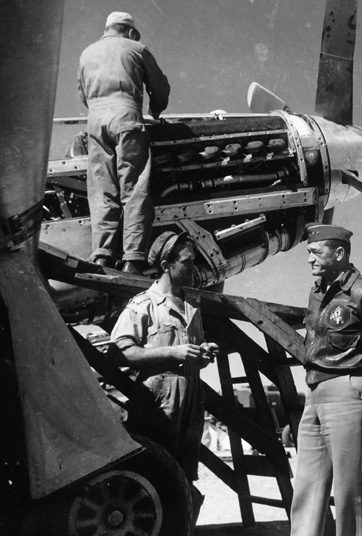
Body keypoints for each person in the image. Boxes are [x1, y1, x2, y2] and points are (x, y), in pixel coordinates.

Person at [290, 223, 362, 536]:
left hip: (349, 390)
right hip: (315, 391)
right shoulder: (317, 291)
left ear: (339, 253)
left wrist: (360, 385)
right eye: (308, 252)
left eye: (315, 252)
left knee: (349, 491)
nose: (309, 258)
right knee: (307, 489)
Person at [110, 231, 217, 493]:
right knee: (152, 473)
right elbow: (119, 354)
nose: (193, 268)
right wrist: (172, 353)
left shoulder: (191, 308)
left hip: (190, 396)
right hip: (157, 399)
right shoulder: (143, 304)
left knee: (183, 474)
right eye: (187, 262)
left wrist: (202, 353)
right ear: (166, 266)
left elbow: (188, 355)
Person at [78, 12, 170, 274]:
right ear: (129, 32)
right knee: (134, 187)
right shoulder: (136, 47)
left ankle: (102, 255)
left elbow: (82, 93)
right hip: (126, 117)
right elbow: (160, 88)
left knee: (102, 190)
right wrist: (156, 110)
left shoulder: (86, 53)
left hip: (95, 121)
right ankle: (133, 258)